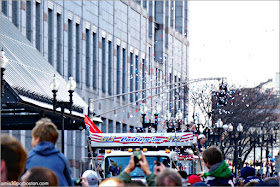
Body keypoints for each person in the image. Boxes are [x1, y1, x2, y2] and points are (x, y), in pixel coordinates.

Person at [25, 118, 73, 186]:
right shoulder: (61, 158)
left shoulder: (28, 158)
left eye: (33, 137)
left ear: (37, 139)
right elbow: (69, 182)